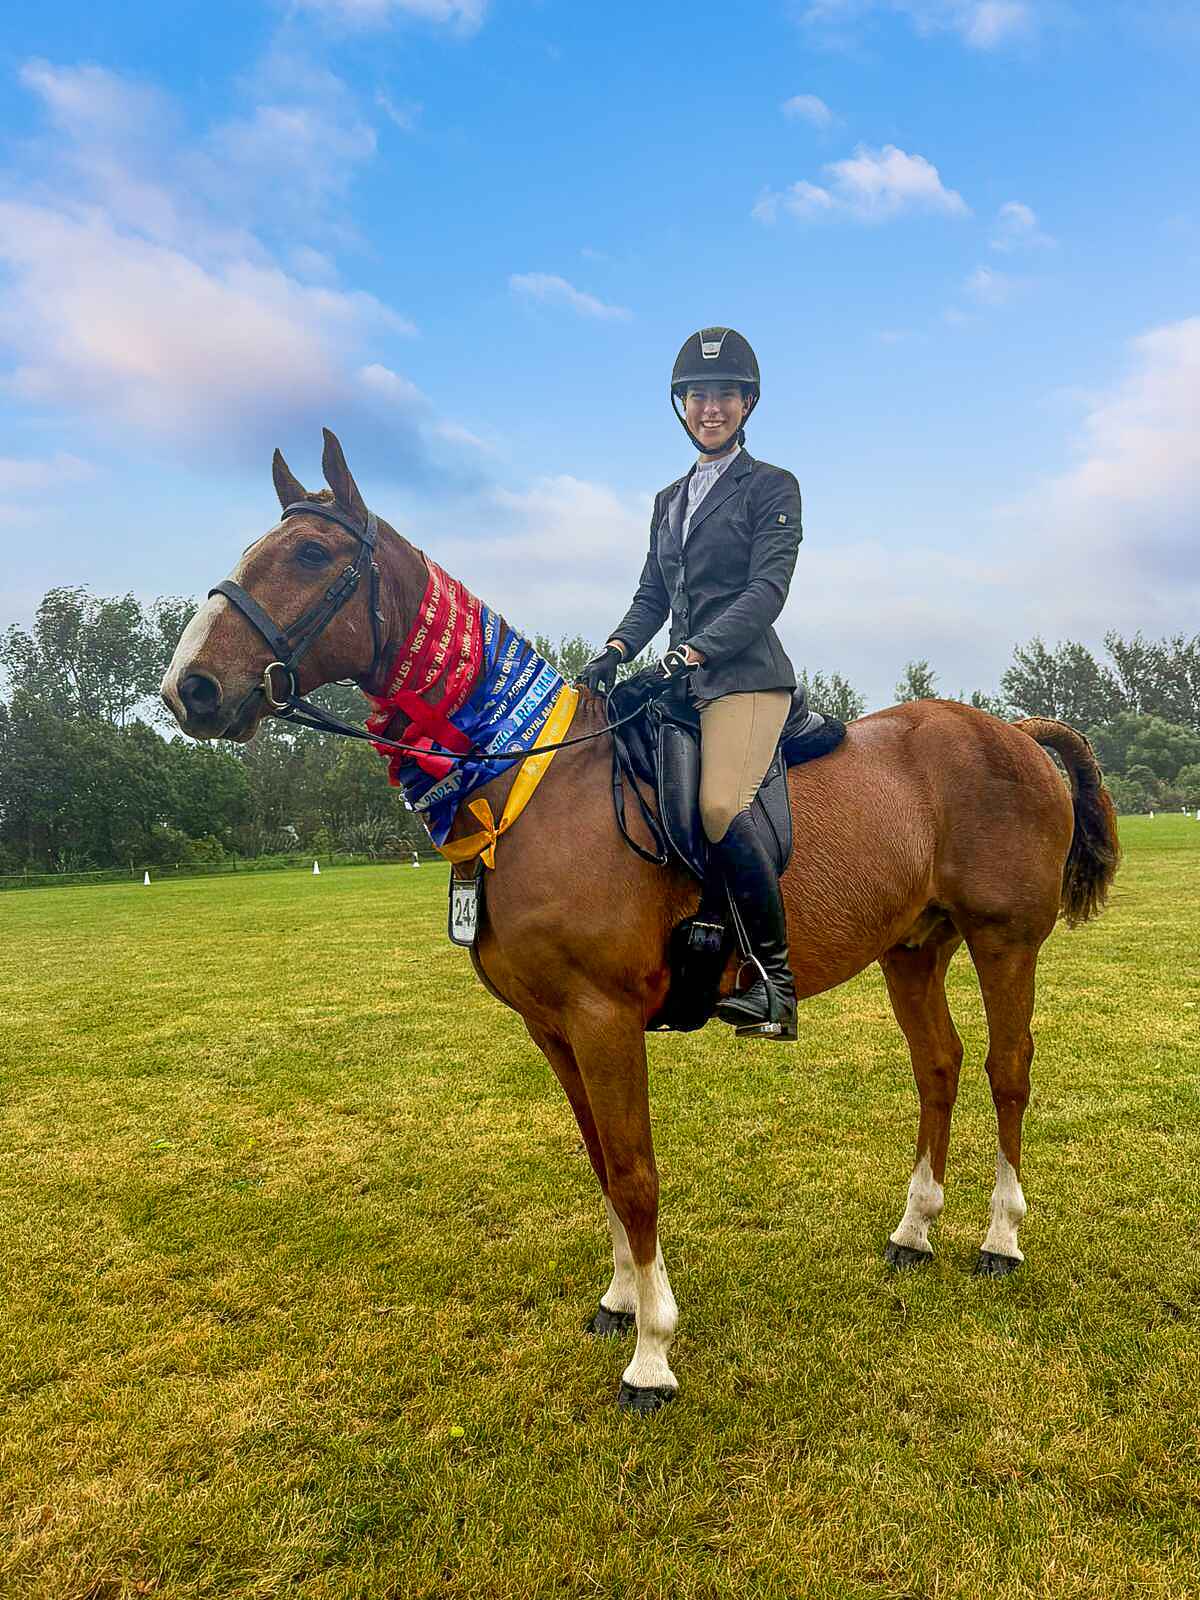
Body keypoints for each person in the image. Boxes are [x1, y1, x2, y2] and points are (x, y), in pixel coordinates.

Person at [579, 328, 802, 1041]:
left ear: (747, 404)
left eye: (725, 395)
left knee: (716, 805)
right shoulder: (668, 499)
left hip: (744, 677)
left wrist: (696, 652)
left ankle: (775, 981)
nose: (712, 407)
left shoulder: (772, 486)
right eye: (699, 396)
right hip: (685, 681)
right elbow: (653, 595)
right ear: (682, 406)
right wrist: (614, 651)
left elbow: (766, 590)